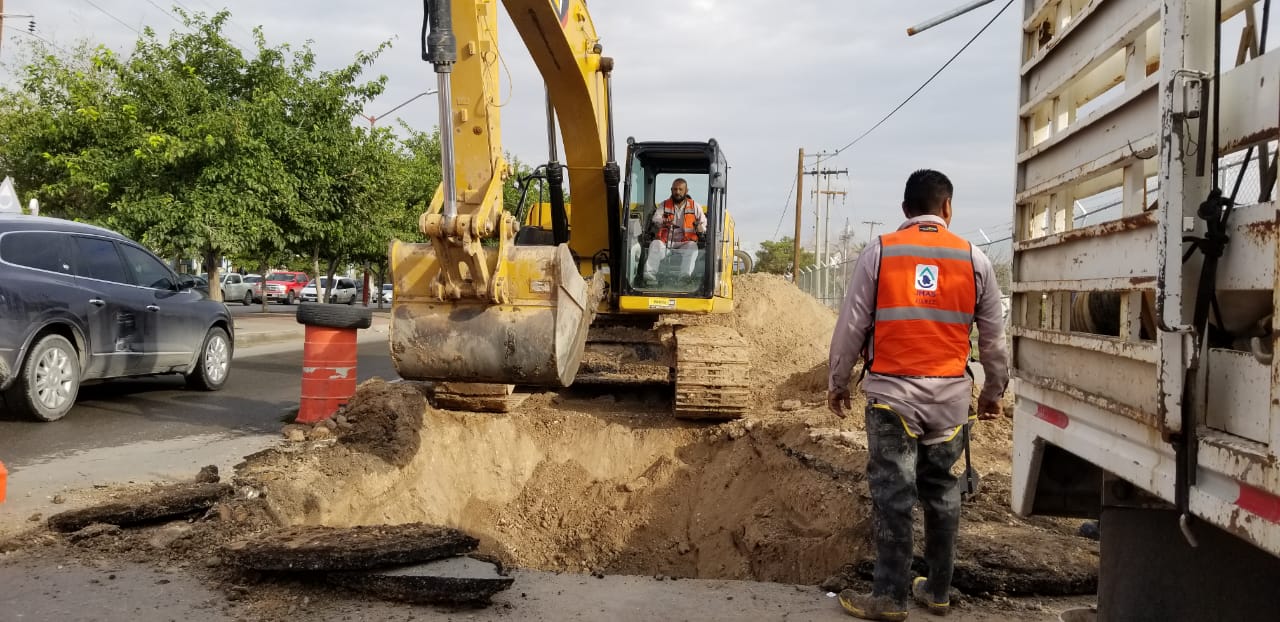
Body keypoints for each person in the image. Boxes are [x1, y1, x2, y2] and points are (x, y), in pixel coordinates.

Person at [827, 169, 1008, 620]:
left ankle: (889, 598)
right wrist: (993, 392)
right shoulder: (974, 259)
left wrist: (838, 381)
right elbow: (993, 338)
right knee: (944, 494)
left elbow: (851, 325)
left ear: (905, 210)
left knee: (894, 496)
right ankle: (938, 590)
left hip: (893, 398)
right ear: (947, 208)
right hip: (950, 401)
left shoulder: (881, 251)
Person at [641, 178, 706, 287]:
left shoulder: (695, 206)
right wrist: (663, 221)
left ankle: (684, 277)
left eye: (680, 189)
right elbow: (655, 219)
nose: (677, 192)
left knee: (692, 247)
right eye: (675, 189)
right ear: (671, 190)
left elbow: (704, 224)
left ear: (686, 191)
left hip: (685, 243)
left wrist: (700, 227)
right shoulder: (664, 205)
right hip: (666, 243)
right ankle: (649, 276)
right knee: (655, 244)